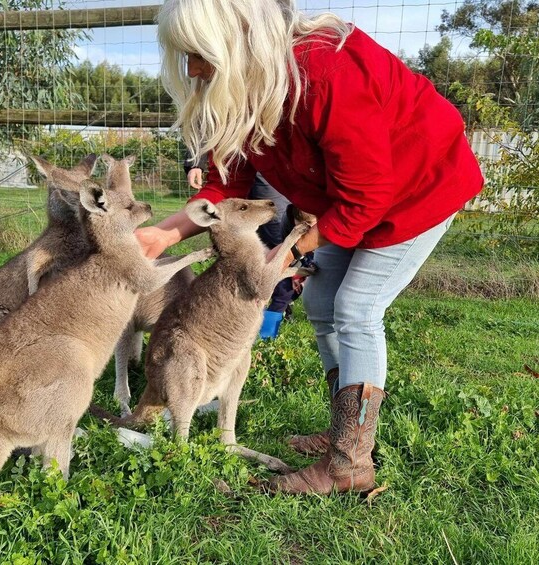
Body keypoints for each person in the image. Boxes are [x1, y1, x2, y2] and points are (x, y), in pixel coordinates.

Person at [137, 0, 484, 495]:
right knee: (322, 302)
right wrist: (162, 235)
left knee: (357, 307)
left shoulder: (324, 74)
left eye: (199, 53)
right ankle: (346, 429)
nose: (192, 69)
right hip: (346, 197)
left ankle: (348, 464)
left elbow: (367, 197)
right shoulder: (245, 87)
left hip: (418, 189)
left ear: (237, 40)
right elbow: (226, 183)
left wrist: (291, 252)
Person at [184, 150, 310, 323]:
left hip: (268, 165)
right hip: (234, 165)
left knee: (275, 236)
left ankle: (278, 308)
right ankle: (270, 309)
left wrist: (293, 258)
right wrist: (195, 162)